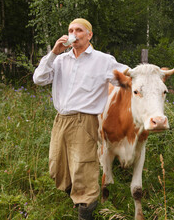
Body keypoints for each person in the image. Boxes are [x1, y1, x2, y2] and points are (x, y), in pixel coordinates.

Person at [33, 18, 128, 220]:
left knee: (83, 167)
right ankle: (77, 197)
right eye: (70, 30)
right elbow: (39, 79)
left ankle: (86, 209)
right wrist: (53, 53)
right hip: (61, 120)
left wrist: (147, 77)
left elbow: (127, 77)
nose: (74, 33)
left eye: (79, 30)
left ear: (89, 35)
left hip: (84, 120)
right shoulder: (60, 60)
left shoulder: (103, 60)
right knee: (57, 166)